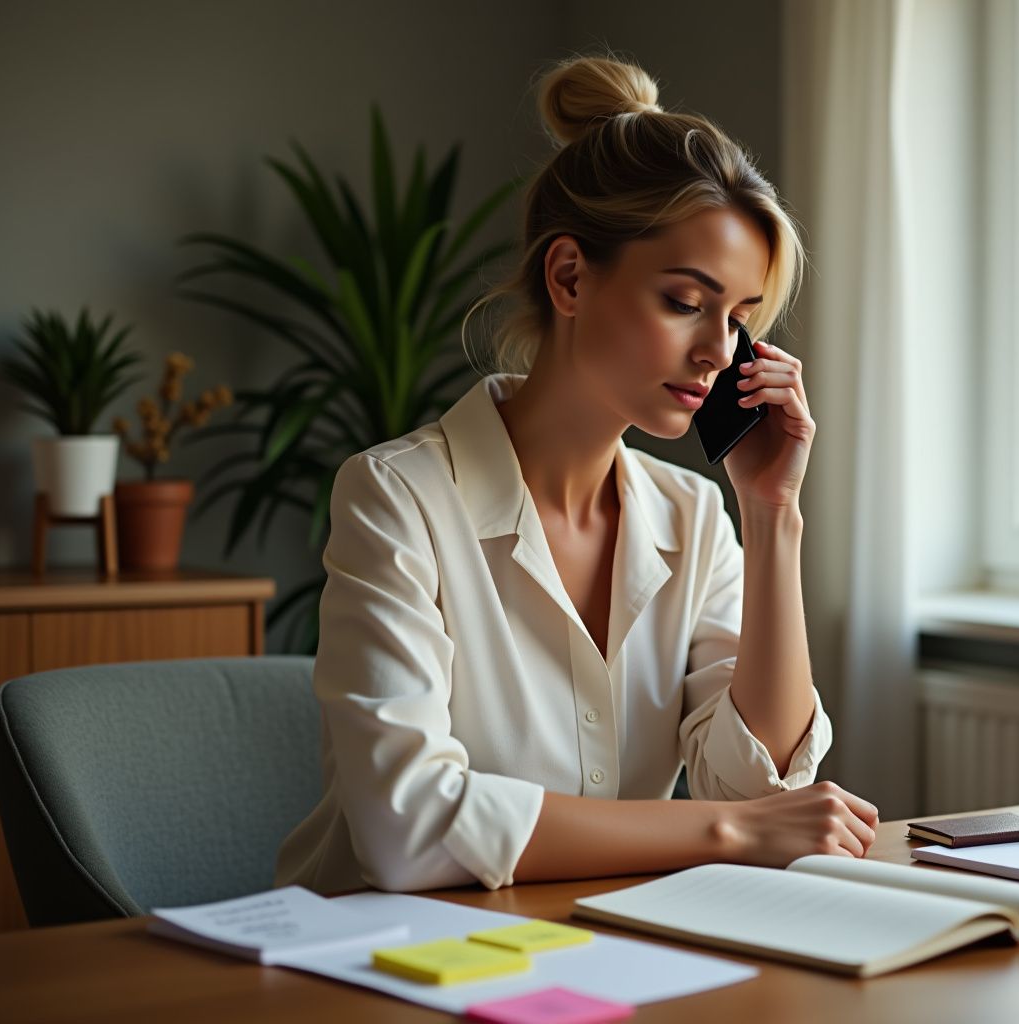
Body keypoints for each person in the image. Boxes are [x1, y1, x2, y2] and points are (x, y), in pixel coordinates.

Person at [274, 52, 878, 895]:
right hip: (387, 971)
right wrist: (729, 830)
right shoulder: (398, 497)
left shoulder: (696, 515)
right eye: (683, 301)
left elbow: (755, 784)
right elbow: (407, 829)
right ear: (568, 277)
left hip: (606, 951)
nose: (718, 351)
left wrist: (772, 514)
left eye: (740, 318)